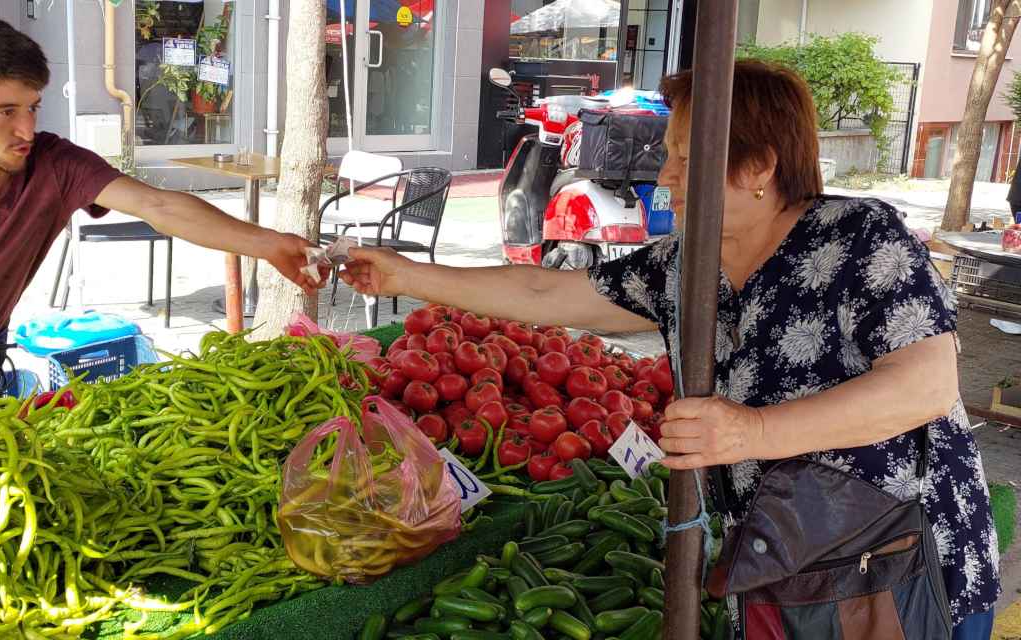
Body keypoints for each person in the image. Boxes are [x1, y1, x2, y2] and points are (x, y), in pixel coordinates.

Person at [341, 60, 999, 638]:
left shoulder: (860, 237)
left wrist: (751, 431)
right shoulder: (687, 265)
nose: (666, 173)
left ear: (758, 166)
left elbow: (926, 385)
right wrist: (403, 275)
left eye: (686, 155)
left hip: (903, 572)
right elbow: (546, 293)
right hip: (783, 571)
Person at [0, 18, 322, 397]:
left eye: (33, 107)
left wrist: (271, 244)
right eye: (6, 112)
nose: (27, 130)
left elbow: (157, 204)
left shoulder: (54, 165)